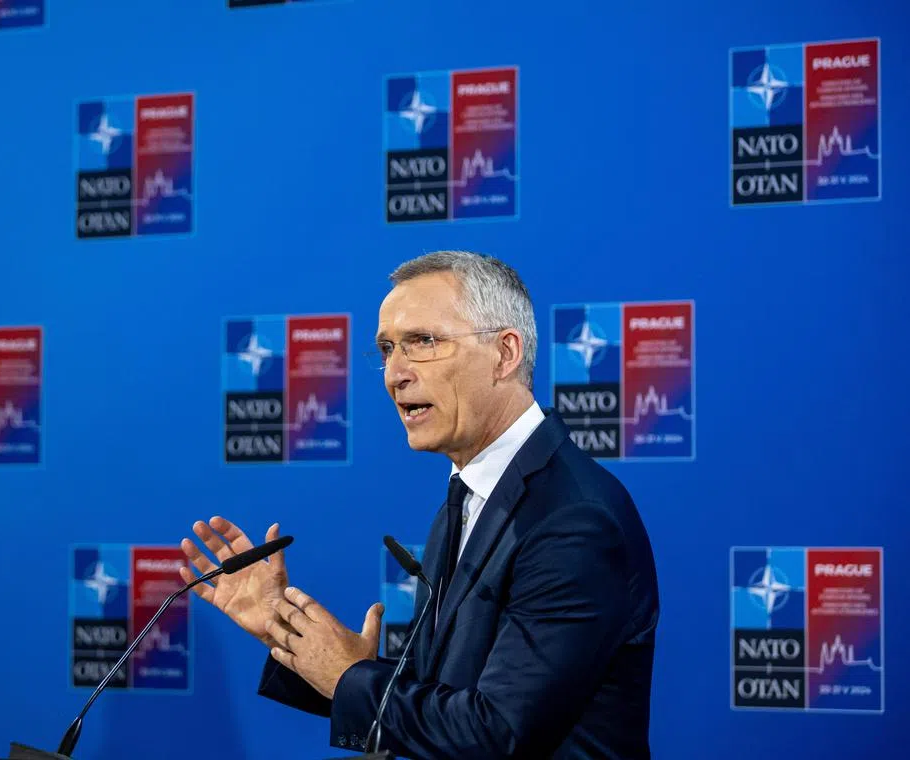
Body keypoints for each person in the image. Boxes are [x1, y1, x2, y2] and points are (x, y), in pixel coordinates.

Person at [179, 251, 659, 759]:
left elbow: (497, 733)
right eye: (386, 349)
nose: (394, 374)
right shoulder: (472, 492)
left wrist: (350, 676)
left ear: (505, 353)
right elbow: (453, 695)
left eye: (423, 342)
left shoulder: (572, 519)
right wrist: (288, 628)